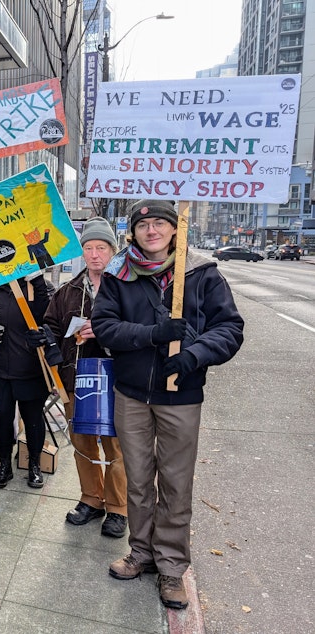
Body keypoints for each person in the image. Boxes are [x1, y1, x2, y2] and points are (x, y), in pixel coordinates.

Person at [92, 199, 244, 610]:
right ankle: (141, 552)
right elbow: (104, 327)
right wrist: (152, 334)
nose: (152, 231)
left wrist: (194, 356)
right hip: (132, 394)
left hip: (181, 395)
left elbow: (230, 328)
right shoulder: (117, 275)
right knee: (139, 480)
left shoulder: (201, 274)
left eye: (160, 223)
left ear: (175, 229)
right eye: (144, 225)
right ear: (133, 232)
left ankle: (172, 566)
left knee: (175, 484)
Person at [43, 217, 128, 537]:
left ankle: (118, 507)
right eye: (89, 248)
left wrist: (107, 332)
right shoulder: (69, 290)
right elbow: (51, 325)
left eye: (101, 247)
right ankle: (91, 499)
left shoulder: (127, 287)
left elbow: (141, 330)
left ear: (112, 250)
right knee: (83, 444)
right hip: (76, 379)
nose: (94, 254)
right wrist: (50, 345)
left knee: (116, 446)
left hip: (117, 381)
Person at [0, 274, 57, 489]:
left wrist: (38, 281)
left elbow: (47, 316)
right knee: (2, 419)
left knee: (33, 420)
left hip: (30, 369)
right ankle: (4, 466)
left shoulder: (39, 287)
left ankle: (35, 465)